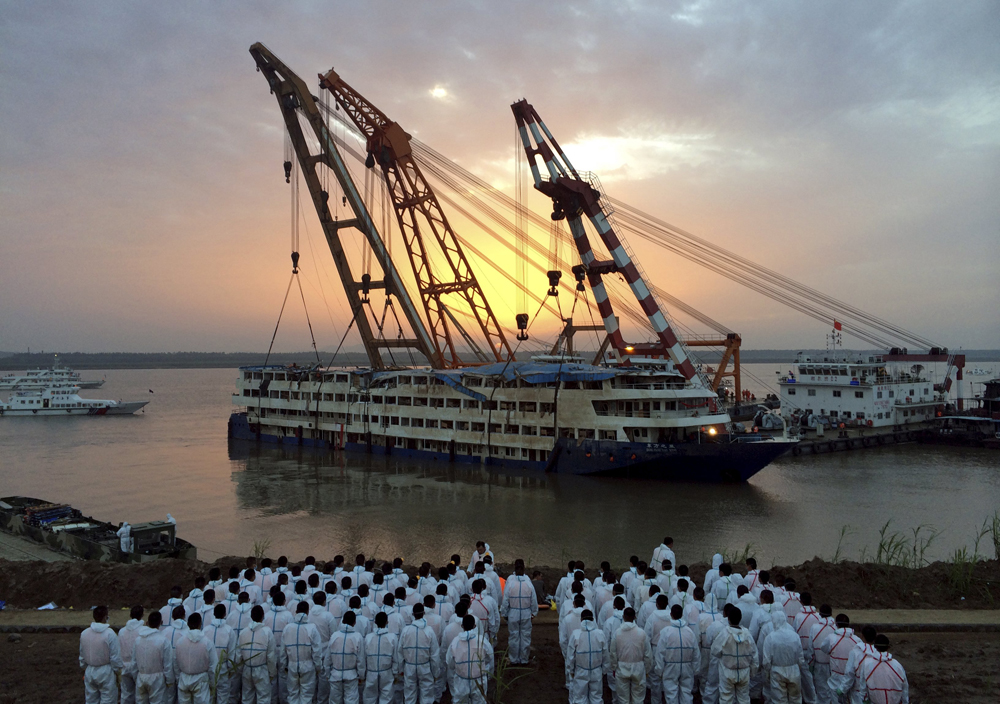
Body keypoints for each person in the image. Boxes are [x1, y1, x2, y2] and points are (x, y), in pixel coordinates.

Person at [654, 604, 701, 704]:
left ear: (671, 615)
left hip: (670, 667)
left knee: (671, 694)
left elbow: (660, 653)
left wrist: (659, 670)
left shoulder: (666, 632)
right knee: (687, 694)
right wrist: (696, 669)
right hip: (687, 667)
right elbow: (696, 652)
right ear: (682, 615)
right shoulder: (689, 632)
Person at [711, 607, 759, 704]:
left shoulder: (724, 633)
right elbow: (754, 655)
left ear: (728, 618)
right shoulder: (747, 634)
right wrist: (753, 672)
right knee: (744, 699)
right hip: (744, 671)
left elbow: (715, 651)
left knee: (726, 698)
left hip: (727, 671)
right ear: (740, 618)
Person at [396, 603, 440, 704]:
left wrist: (401, 669)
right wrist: (436, 672)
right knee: (427, 695)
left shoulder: (406, 630)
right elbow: (434, 655)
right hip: (425, 667)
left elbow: (400, 652)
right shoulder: (429, 631)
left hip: (409, 667)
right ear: (424, 613)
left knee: (409, 695)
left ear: (413, 614)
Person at [281, 601, 323, 704]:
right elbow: (317, 651)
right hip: (308, 666)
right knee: (307, 696)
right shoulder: (312, 628)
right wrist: (318, 667)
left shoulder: (287, 628)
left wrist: (284, 666)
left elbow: (283, 651)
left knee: (292, 695)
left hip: (292, 666)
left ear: (295, 612)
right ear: (308, 612)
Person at [80, 605, 124, 704]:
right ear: (105, 617)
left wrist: (84, 667)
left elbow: (82, 655)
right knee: (108, 700)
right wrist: (118, 672)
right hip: (106, 672)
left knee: (91, 700)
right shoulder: (110, 634)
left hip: (90, 670)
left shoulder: (84, 633)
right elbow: (115, 657)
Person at [447, 614, 494, 704]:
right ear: (474, 626)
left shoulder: (455, 641)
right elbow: (489, 657)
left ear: (462, 626)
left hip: (461, 680)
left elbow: (450, 662)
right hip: (479, 679)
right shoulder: (482, 640)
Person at [761, 611, 805, 704]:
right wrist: (797, 668)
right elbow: (800, 657)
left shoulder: (770, 637)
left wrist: (768, 674)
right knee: (796, 699)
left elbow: (766, 661)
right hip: (794, 670)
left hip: (777, 671)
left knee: (779, 700)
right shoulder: (795, 635)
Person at [500, 558, 538, 664]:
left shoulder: (511, 583)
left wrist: (504, 613)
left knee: (513, 636)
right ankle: (524, 659)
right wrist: (534, 612)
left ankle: (513, 659)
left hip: (513, 613)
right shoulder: (528, 583)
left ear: (515, 570)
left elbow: (505, 600)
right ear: (524, 569)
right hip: (525, 613)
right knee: (525, 636)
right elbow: (533, 600)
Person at [566, 609, 609, 704]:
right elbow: (606, 654)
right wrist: (604, 670)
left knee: (580, 698)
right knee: (596, 698)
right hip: (597, 671)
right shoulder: (600, 634)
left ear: (581, 620)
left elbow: (570, 656)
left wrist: (571, 670)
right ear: (593, 619)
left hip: (581, 671)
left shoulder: (576, 634)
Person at [174, 613, 218, 704]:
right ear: (200, 624)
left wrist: (179, 678)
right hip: (201, 680)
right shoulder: (207, 643)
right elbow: (213, 666)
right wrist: (213, 683)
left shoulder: (179, 642)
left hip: (184, 678)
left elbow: (175, 663)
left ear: (188, 624)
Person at [609, 607, 650, 704]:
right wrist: (647, 669)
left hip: (622, 668)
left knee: (623, 699)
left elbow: (613, 653)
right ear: (635, 617)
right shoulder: (642, 633)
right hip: (638, 668)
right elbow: (647, 654)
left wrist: (614, 667)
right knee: (638, 699)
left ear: (623, 617)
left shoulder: (617, 633)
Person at [237, 605, 277, 704]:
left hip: (247, 668)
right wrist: (272, 672)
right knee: (263, 698)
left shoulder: (243, 632)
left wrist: (241, 669)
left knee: (247, 697)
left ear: (251, 616)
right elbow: (271, 656)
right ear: (263, 616)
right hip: (261, 670)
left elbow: (238, 655)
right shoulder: (267, 632)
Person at [134, 611, 174, 704]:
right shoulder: (163, 641)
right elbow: (167, 665)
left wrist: (136, 676)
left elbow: (134, 662)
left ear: (147, 623)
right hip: (157, 679)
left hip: (141, 676)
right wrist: (170, 682)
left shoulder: (138, 640)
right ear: (161, 622)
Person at [363, 611, 402, 704]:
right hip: (387, 672)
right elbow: (396, 657)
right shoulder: (392, 637)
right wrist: (395, 672)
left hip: (371, 672)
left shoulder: (368, 637)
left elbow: (364, 657)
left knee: (369, 698)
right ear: (387, 622)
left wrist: (363, 672)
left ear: (375, 622)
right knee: (387, 697)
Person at [821, 614, 862, 701]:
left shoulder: (831, 638)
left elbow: (824, 648)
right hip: (852, 679)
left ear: (836, 624)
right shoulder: (857, 640)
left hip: (836, 677)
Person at [858, 635, 909, 704]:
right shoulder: (897, 665)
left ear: (875, 647)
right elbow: (904, 688)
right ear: (888, 647)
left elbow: (863, 687)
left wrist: (865, 700)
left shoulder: (867, 664)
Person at [203, 603, 237, 704]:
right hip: (223, 668)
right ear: (225, 614)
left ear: (213, 613)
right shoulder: (229, 630)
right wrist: (230, 668)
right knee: (223, 695)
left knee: (209, 695)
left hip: (208, 668)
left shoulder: (205, 630)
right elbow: (231, 651)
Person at [836, 625, 878, 704]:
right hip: (874, 692)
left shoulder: (855, 652)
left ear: (862, 636)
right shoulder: (878, 653)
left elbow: (850, 673)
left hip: (858, 692)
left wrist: (842, 688)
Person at [643, 594, 673, 704]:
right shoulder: (672, 616)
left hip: (656, 649)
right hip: (671, 649)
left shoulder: (652, 617)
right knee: (670, 675)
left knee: (655, 678)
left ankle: (656, 700)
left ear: (656, 604)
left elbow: (647, 636)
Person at [807, 605, 837, 704]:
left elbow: (811, 647)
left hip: (819, 664)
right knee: (834, 690)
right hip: (835, 664)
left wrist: (810, 663)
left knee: (821, 690)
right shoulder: (836, 627)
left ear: (819, 614)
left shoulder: (814, 627)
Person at [161, 606, 188, 704]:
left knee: (168, 696)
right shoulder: (187, 632)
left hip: (166, 669)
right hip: (183, 669)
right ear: (184, 616)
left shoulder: (164, 632)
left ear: (172, 617)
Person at [119, 605, 145, 704]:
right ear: (142, 615)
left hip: (124, 665)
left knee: (126, 694)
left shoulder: (122, 631)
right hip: (139, 666)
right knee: (140, 696)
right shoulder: (143, 631)